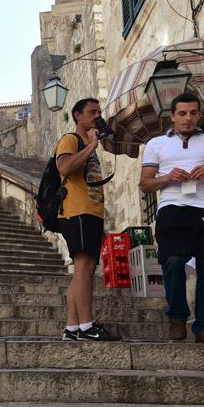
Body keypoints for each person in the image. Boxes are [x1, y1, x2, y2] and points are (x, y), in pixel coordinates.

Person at [140, 93, 204, 346]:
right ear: (172, 116)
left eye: (193, 113)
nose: (188, 118)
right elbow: (145, 184)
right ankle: (178, 316)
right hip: (172, 208)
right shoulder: (156, 144)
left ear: (199, 115)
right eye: (182, 113)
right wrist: (167, 177)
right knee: (173, 260)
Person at [57, 98, 122, 342]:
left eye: (98, 111)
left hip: (90, 212)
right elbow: (64, 167)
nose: (97, 115)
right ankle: (87, 326)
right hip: (77, 211)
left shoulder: (86, 144)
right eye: (91, 112)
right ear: (77, 116)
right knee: (84, 267)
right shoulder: (71, 140)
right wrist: (92, 146)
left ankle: (72, 327)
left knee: (83, 269)